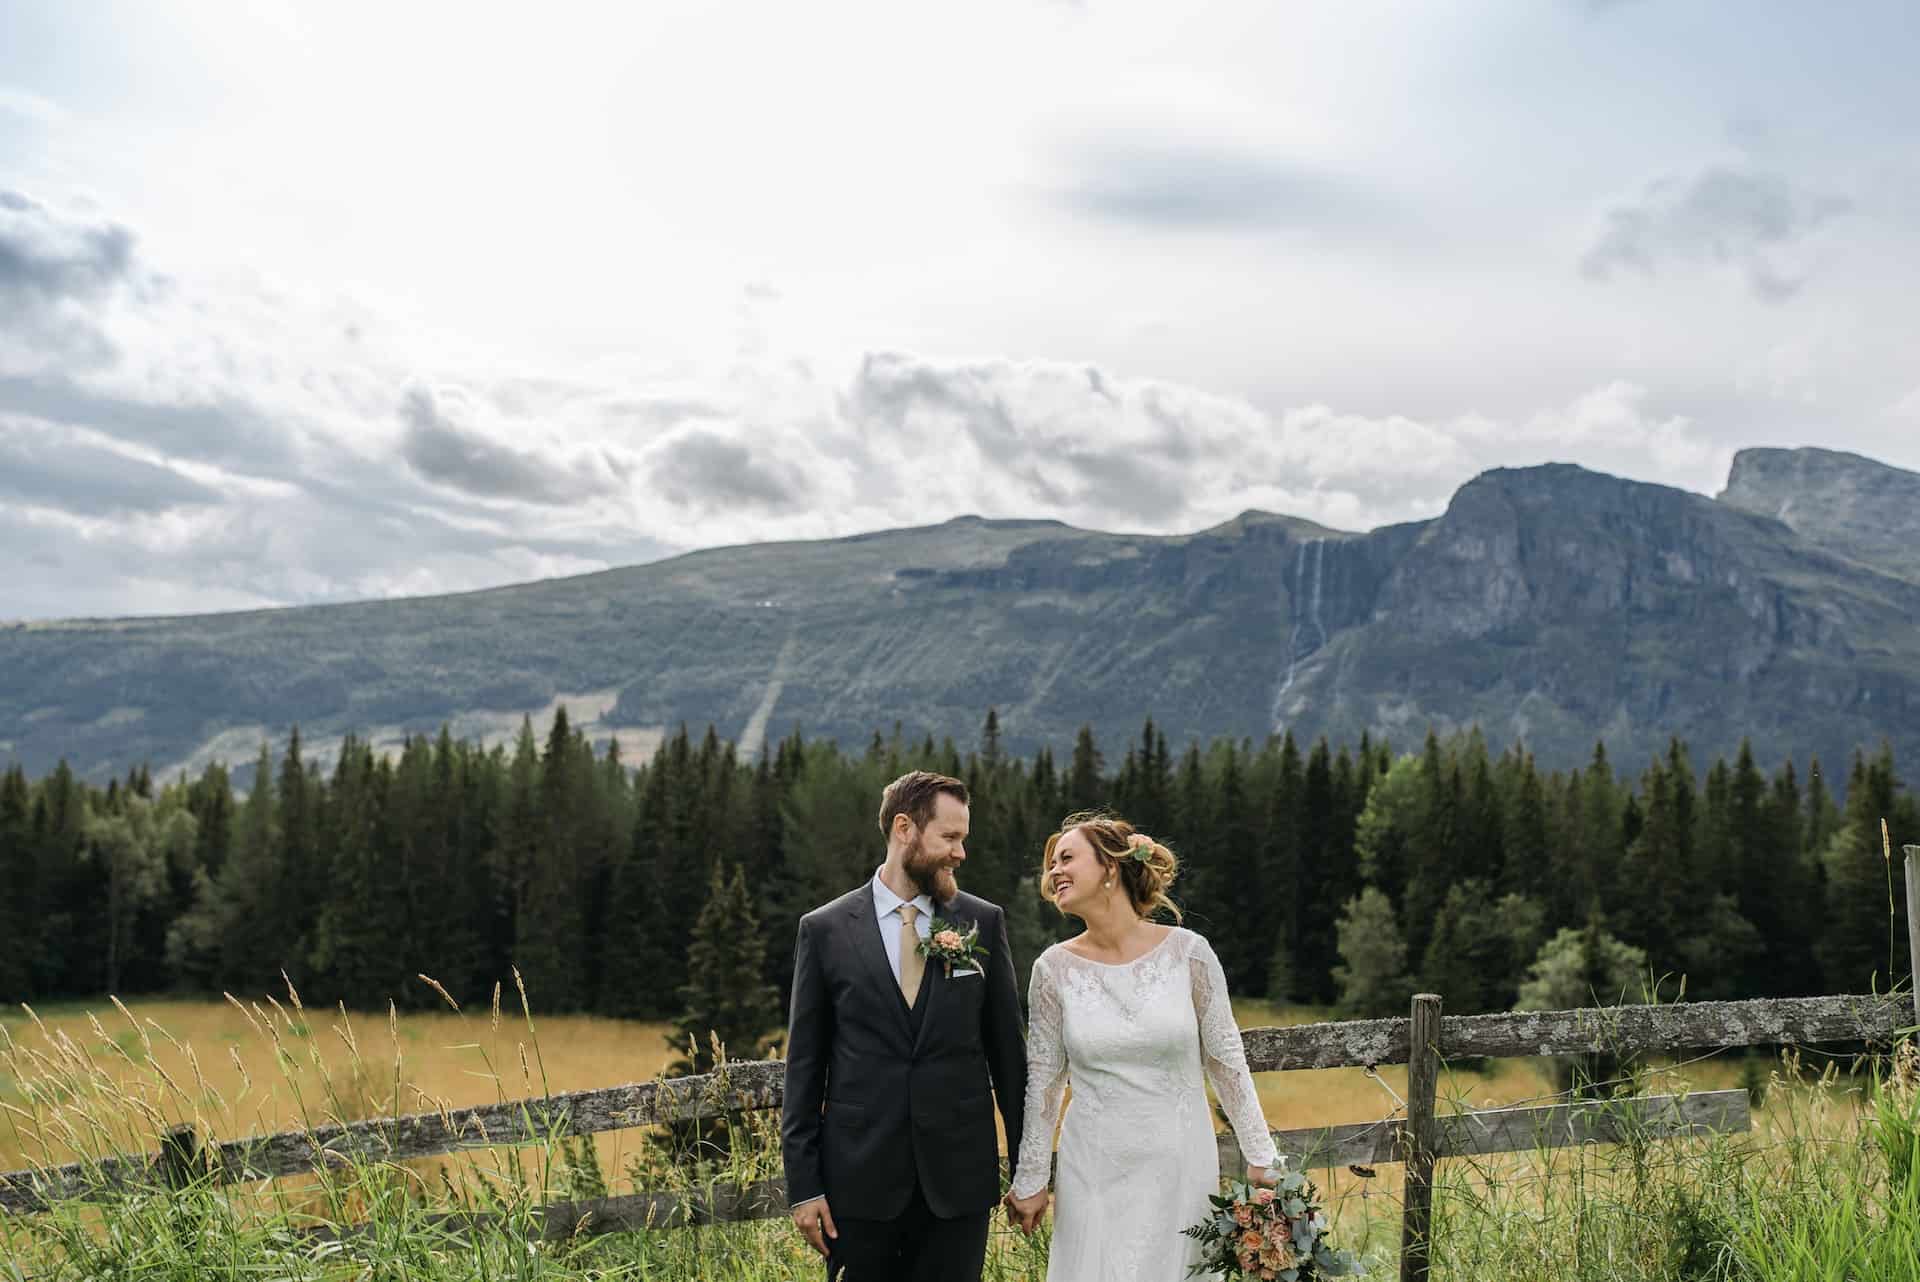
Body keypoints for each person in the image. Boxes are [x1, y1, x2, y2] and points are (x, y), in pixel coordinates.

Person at [1004, 811, 1282, 1279]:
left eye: (1067, 858)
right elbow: (1045, 1085)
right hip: (1093, 1168)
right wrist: (1031, 1179)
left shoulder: (1190, 953)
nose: (1054, 872)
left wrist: (1261, 1155)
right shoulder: (1052, 970)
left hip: (1179, 1164)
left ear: (1110, 868)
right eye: (1051, 863)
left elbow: (1226, 1060)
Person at [780, 770, 1030, 1282]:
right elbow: (803, 1068)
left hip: (958, 1182)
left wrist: (1029, 1173)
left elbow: (1009, 1060)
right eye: (951, 837)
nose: (961, 852)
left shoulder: (982, 922)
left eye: (965, 838)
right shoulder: (824, 930)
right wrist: (805, 1187)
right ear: (904, 828)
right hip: (859, 1180)